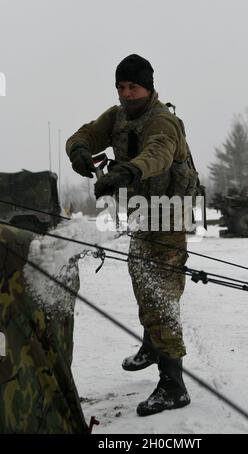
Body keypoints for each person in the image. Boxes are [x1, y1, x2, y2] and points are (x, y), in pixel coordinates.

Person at [66, 54, 191, 416]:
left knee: (161, 292)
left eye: (132, 87)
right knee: (140, 276)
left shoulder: (163, 122)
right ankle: (152, 345)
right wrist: (79, 151)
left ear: (148, 87)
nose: (126, 93)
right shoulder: (117, 115)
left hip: (171, 214)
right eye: (120, 87)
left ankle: (174, 385)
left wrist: (126, 172)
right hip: (142, 212)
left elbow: (159, 155)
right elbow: (85, 134)